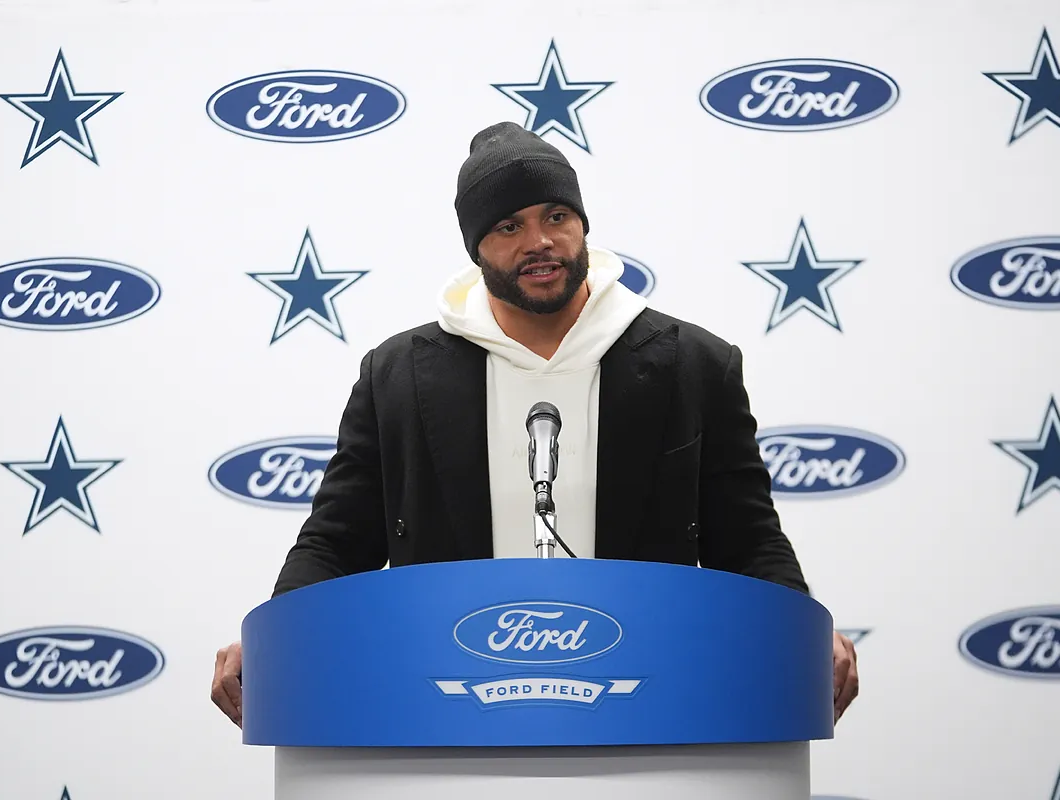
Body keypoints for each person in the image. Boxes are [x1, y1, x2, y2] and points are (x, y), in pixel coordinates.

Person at [211, 121, 858, 727]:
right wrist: (274, 635)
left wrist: (801, 629)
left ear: (582, 224)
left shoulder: (694, 365)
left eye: (556, 216)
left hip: (651, 706)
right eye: (507, 226)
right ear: (476, 248)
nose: (539, 242)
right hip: (446, 712)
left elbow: (747, 538)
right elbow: (337, 541)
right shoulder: (398, 375)